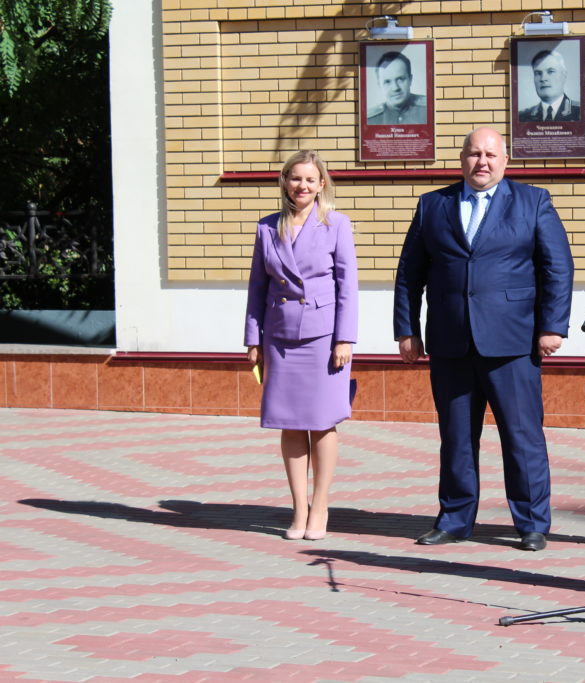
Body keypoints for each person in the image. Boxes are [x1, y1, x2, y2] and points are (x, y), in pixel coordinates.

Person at [393, 127, 574, 551]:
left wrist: (553, 326)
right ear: (461, 160)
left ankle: (531, 522)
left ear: (505, 160)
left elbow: (557, 269)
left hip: (513, 341)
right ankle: (455, 519)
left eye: (491, 154)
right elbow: (409, 275)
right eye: (474, 154)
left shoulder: (533, 201)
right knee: (456, 435)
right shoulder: (432, 205)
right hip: (450, 341)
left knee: (522, 435)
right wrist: (407, 330)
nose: (482, 162)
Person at [244, 150, 358, 541]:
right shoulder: (266, 228)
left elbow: (348, 287)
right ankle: (299, 508)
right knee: (291, 424)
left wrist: (345, 338)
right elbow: (257, 288)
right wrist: (252, 340)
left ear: (322, 184)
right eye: (295, 178)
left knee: (322, 423)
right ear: (285, 182)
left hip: (324, 339)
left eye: (310, 179)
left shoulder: (337, 225)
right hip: (280, 337)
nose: (302, 186)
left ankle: (321, 506)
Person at [518, 50, 582, 122]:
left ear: (564, 75)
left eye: (550, 71)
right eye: (538, 73)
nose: (543, 79)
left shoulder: (581, 112)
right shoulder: (522, 117)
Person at [367, 52, 427, 125]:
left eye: (400, 79)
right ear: (380, 85)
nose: (395, 88)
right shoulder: (370, 119)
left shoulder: (428, 109)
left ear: (410, 79)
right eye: (387, 82)